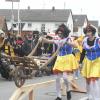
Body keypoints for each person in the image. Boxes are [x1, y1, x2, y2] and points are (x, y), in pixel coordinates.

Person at [38, 24, 78, 100]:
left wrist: (67, 43)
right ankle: (58, 96)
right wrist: (42, 39)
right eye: (58, 33)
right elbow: (49, 41)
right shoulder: (58, 39)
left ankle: (68, 89)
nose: (59, 34)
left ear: (64, 33)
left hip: (67, 58)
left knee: (65, 77)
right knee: (57, 78)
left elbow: (75, 45)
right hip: (60, 59)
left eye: (61, 33)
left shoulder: (68, 39)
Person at [79, 24, 100, 100]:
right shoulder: (84, 41)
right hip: (88, 61)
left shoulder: (98, 40)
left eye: (89, 31)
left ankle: (97, 98)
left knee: (94, 81)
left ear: (93, 32)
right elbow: (83, 52)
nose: (88, 33)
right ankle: (89, 96)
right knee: (88, 81)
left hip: (97, 62)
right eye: (87, 31)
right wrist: (80, 62)